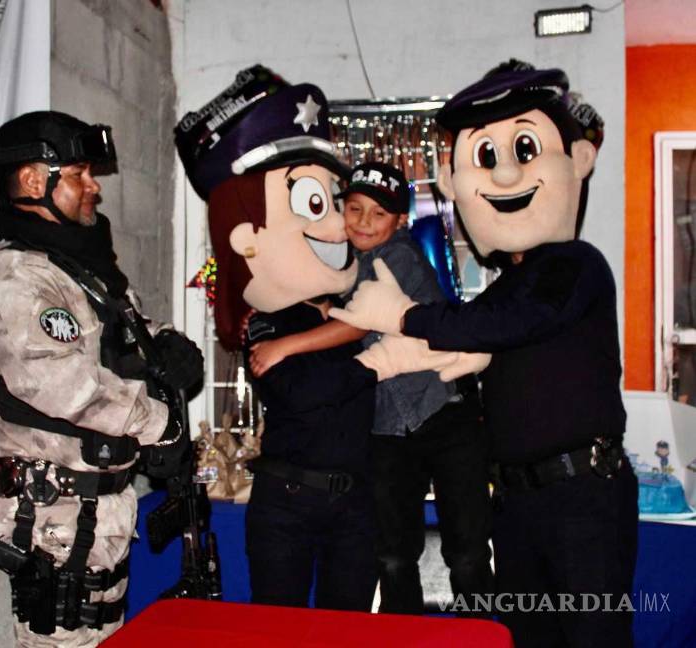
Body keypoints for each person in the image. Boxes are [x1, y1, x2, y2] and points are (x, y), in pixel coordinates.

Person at [330, 61, 638, 647]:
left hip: (581, 497)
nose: (505, 174)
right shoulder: (507, 284)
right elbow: (475, 335)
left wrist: (402, 315)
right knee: (525, 636)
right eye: (486, 157)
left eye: (523, 150)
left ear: (576, 161)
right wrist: (407, 353)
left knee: (593, 635)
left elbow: (506, 324)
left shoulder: (576, 264)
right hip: (519, 503)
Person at [175, 65, 467, 611]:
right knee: (281, 629)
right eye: (342, 207)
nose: (344, 225)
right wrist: (380, 361)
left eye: (339, 204)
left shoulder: (360, 288)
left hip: (358, 498)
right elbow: (302, 392)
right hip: (288, 499)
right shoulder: (268, 318)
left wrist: (382, 345)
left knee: (350, 627)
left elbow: (396, 325)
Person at [0, 110, 203, 647]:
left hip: (93, 511)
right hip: (51, 516)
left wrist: (168, 345)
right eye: (79, 174)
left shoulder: (76, 268)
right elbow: (65, 385)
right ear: (32, 181)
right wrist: (160, 424)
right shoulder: (17, 278)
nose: (94, 186)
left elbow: (121, 331)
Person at [248, 161, 494, 615]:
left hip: (443, 413)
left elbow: (361, 321)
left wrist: (286, 344)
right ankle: (402, 638)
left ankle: (481, 635)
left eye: (378, 213)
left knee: (467, 552)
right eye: (355, 209)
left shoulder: (394, 255)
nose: (363, 222)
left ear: (400, 221)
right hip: (386, 430)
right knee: (394, 556)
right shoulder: (339, 270)